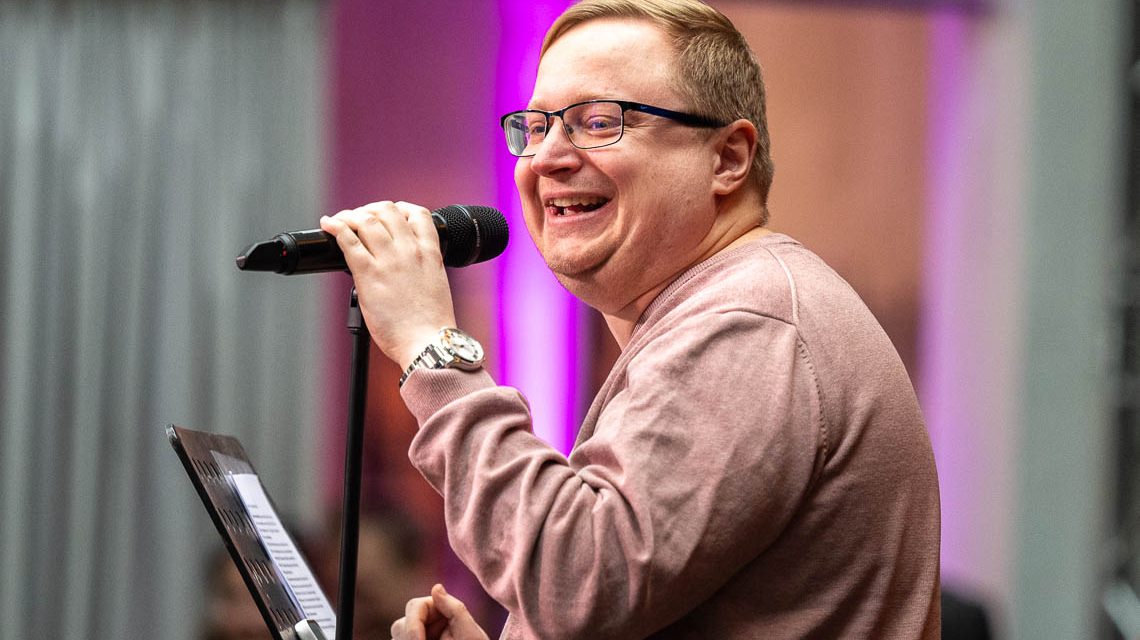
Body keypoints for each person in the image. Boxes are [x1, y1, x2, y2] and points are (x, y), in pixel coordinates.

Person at [320, 0, 941, 637]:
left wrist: (432, 349)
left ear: (727, 159)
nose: (548, 158)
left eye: (599, 122)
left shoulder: (748, 321)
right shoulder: (724, 312)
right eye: (537, 127)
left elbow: (581, 583)